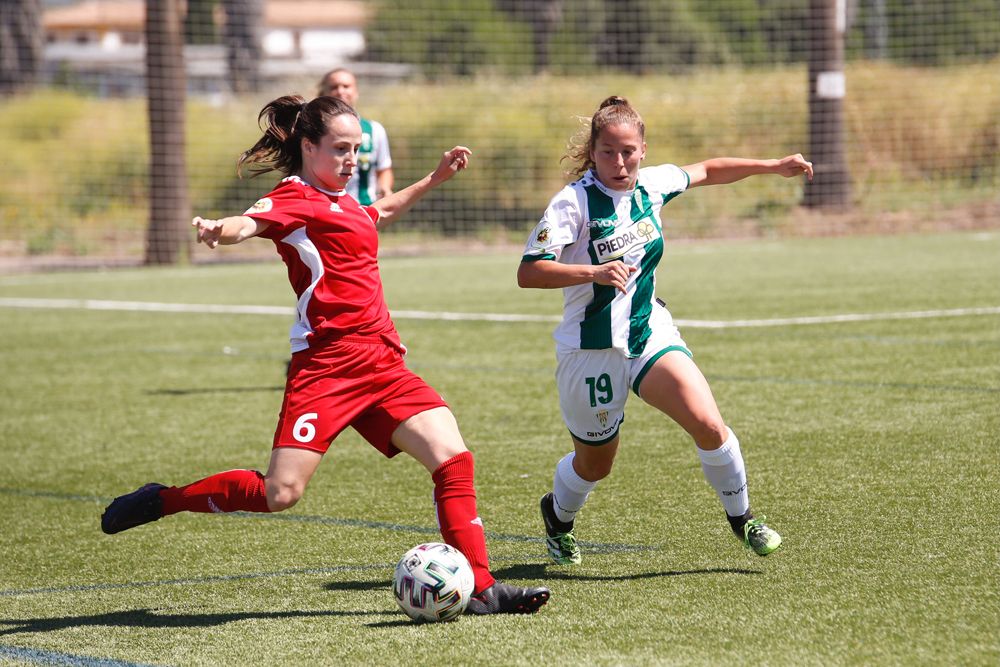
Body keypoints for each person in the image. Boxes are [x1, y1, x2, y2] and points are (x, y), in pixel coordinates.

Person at [101, 94, 550, 616]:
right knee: (280, 493)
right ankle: (165, 498)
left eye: (356, 150)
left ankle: (481, 586)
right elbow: (249, 222)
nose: (350, 160)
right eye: (339, 149)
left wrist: (434, 179)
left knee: (453, 458)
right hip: (328, 368)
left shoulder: (344, 200)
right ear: (308, 146)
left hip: (383, 362)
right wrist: (217, 231)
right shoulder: (292, 197)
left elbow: (374, 212)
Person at [517, 96, 813, 565]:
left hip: (647, 330)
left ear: (643, 150)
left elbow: (710, 169)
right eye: (609, 152)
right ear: (592, 152)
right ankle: (558, 517)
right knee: (596, 465)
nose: (620, 162)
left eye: (629, 151)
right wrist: (592, 274)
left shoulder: (651, 186)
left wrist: (772, 166)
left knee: (709, 423)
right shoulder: (572, 203)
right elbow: (529, 271)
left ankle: (744, 520)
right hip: (590, 349)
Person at [318, 68, 393, 205]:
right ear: (323, 93)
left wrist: (385, 189)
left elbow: (384, 169)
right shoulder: (313, 129)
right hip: (323, 209)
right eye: (334, 87)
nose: (341, 91)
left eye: (346, 86)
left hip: (364, 209)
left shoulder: (374, 130)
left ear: (356, 92)